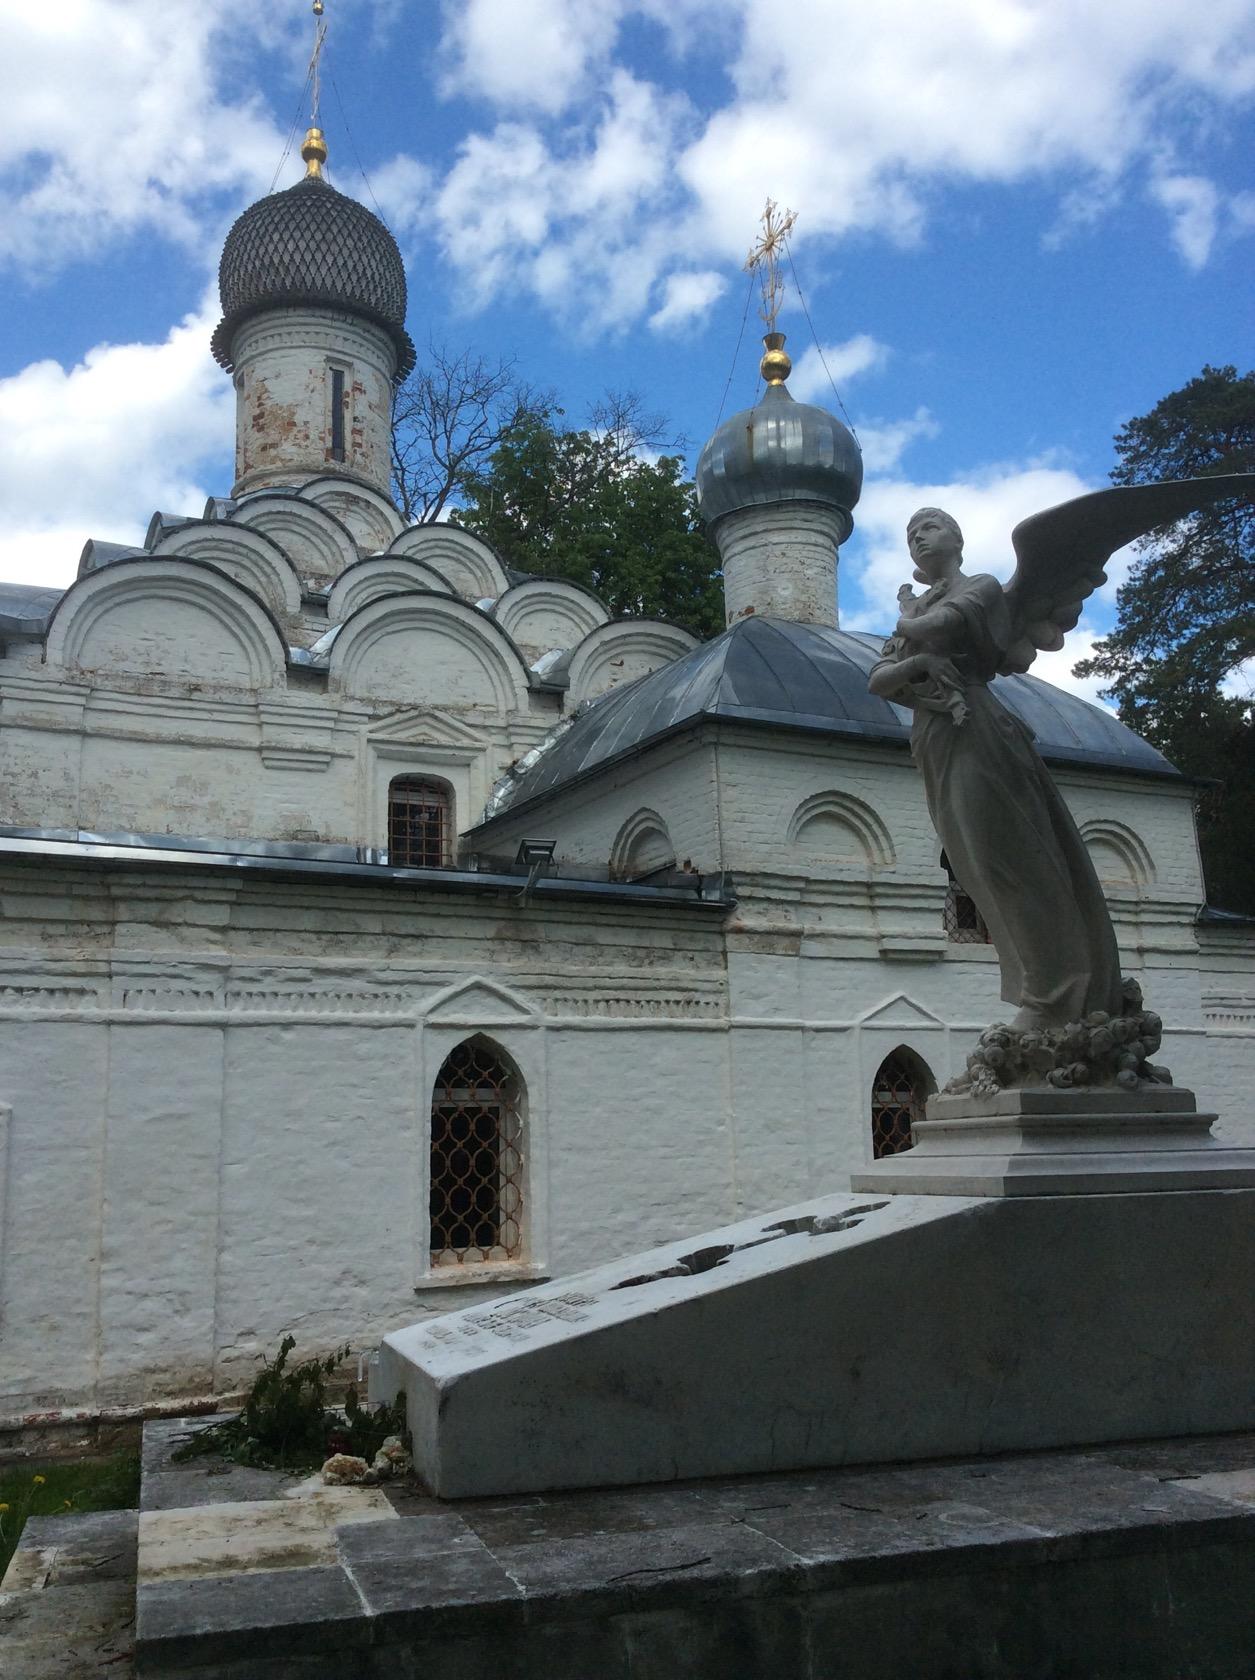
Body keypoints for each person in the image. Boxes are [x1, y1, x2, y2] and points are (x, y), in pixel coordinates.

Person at [868, 507, 1122, 1031]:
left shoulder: (980, 588)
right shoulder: (927, 603)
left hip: (979, 729)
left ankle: (1059, 995)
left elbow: (933, 627)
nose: (918, 537)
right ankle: (1042, 990)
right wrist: (919, 663)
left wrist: (907, 614)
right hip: (934, 736)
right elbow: (878, 681)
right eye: (910, 533)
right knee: (975, 864)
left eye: (930, 527)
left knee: (1013, 857)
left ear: (957, 539)